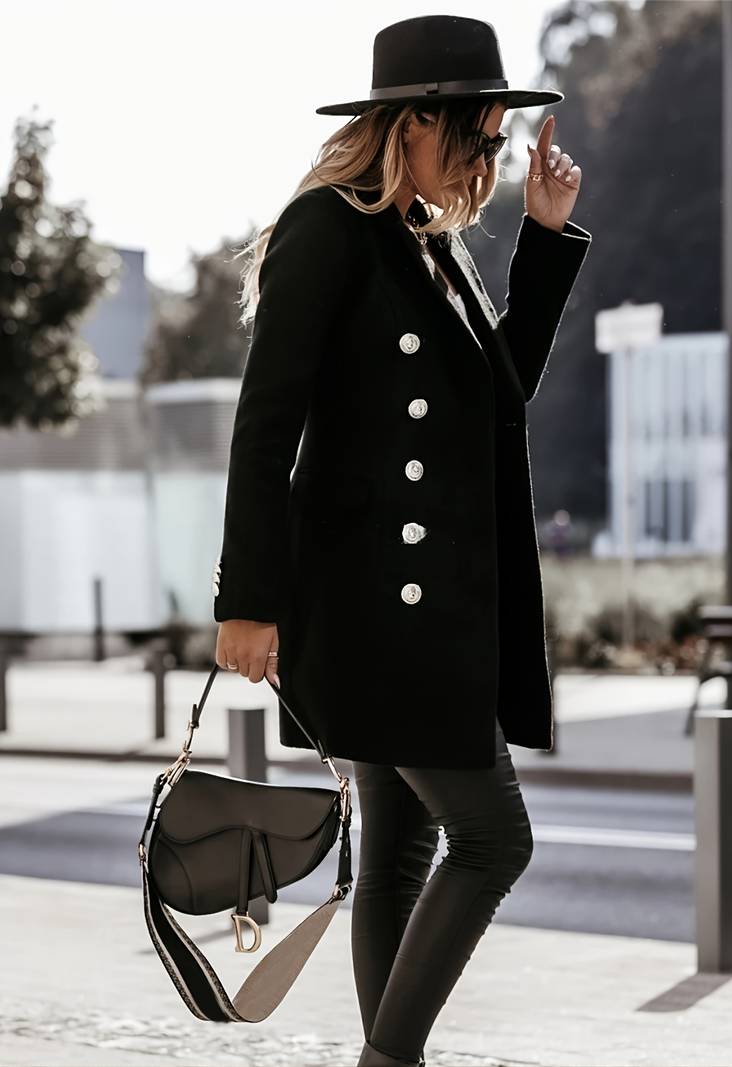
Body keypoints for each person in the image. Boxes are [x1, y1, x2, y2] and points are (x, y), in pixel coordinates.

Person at [212, 15, 592, 1067]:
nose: (486, 162)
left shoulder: (428, 238)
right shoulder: (328, 227)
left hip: (432, 607)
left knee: (400, 849)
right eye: (475, 136)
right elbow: (264, 425)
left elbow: (498, 394)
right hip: (380, 606)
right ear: (413, 121)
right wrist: (248, 600)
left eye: (494, 143)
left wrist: (545, 237)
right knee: (494, 837)